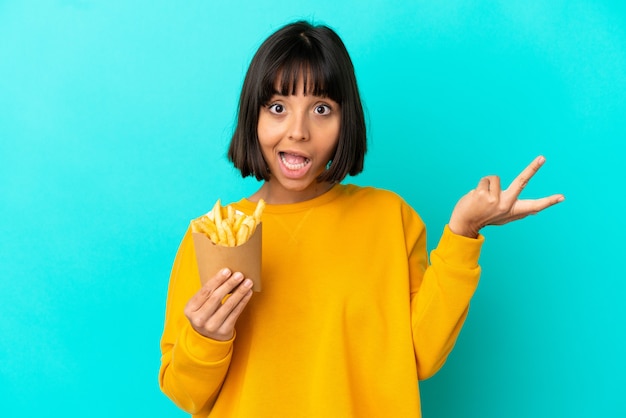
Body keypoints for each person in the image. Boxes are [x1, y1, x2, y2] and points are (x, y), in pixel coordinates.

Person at [158, 20, 564, 417]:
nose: (298, 131)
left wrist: (463, 232)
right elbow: (185, 394)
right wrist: (206, 338)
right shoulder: (213, 236)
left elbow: (420, 356)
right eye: (278, 107)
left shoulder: (389, 217)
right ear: (254, 116)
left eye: (321, 108)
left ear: (345, 121)